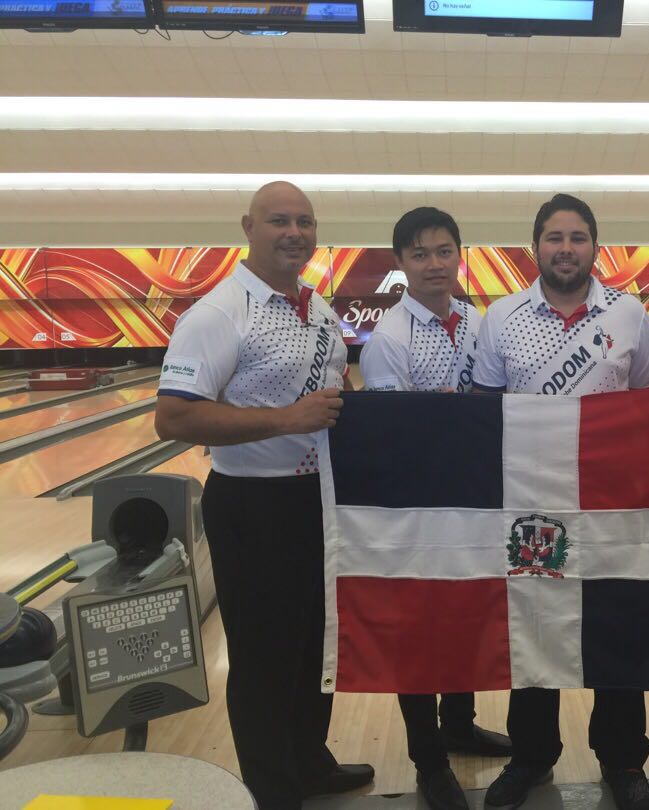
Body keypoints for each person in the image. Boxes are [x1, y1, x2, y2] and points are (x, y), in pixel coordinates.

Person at [154, 180, 374, 810]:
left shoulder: (317, 307)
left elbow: (333, 396)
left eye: (304, 221)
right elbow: (173, 418)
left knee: (314, 644)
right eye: (279, 220)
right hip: (254, 506)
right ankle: (273, 791)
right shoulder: (219, 314)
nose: (294, 233)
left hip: (318, 503)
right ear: (247, 226)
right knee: (263, 657)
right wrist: (285, 418)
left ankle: (308, 763)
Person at [472, 194, 649, 810]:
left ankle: (622, 759)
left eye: (578, 237)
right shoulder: (503, 315)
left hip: (609, 504)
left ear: (595, 245)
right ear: (536, 245)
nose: (566, 248)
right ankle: (531, 754)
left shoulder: (630, 314)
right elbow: (484, 412)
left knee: (616, 626)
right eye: (555, 237)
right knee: (533, 630)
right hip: (532, 507)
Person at [359, 206, 513, 810]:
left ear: (459, 256)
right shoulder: (388, 342)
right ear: (399, 264)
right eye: (419, 254)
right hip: (416, 507)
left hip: (473, 499)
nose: (433, 264)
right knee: (420, 631)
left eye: (444, 251)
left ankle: (460, 723)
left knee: (467, 613)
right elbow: (397, 438)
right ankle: (429, 758)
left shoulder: (478, 324)